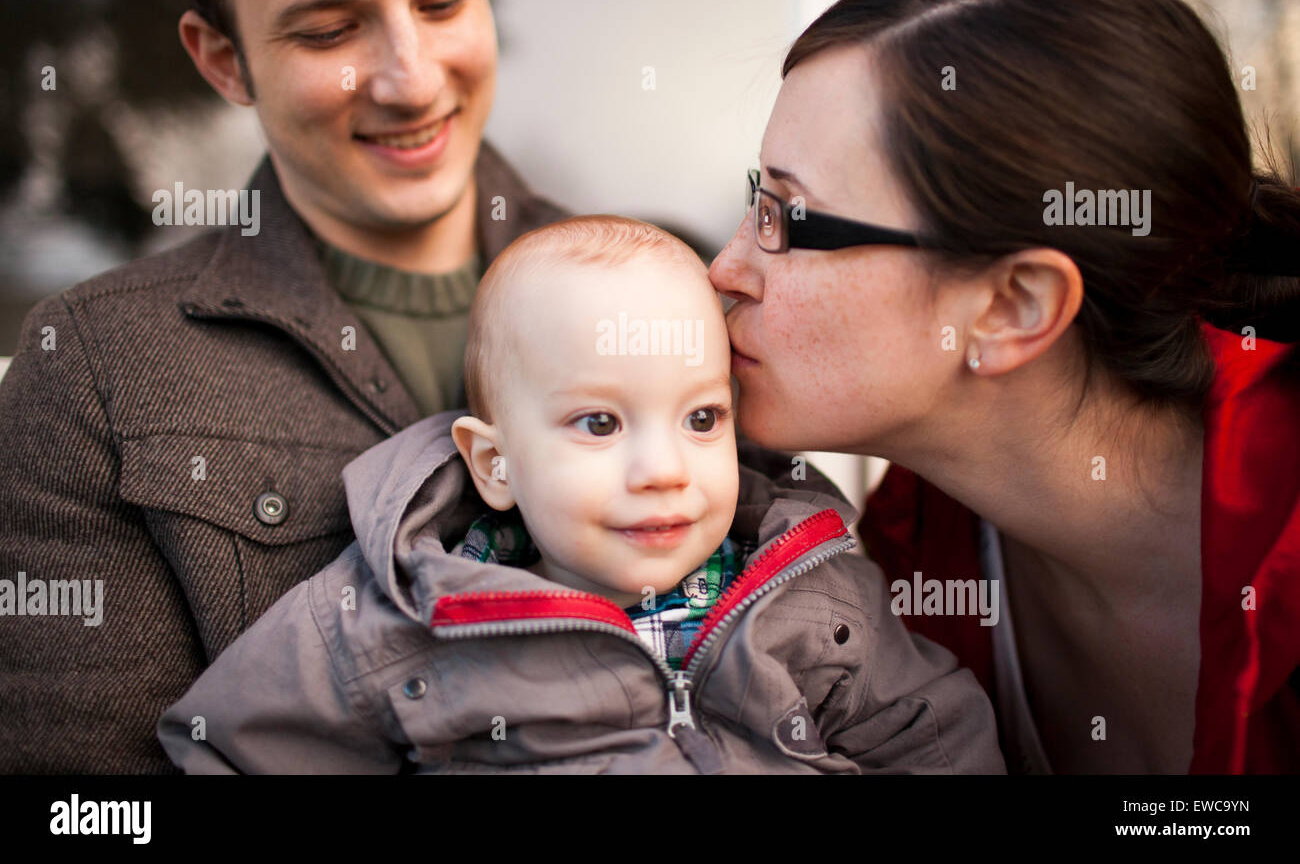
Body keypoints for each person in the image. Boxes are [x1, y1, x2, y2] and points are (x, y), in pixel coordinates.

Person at [0, 0, 566, 772]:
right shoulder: (93, 371)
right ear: (224, 60)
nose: (411, 81)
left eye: (444, 2)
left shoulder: (664, 293)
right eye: (330, 30)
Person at [707, 0, 1300, 774]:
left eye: (788, 218)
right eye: (752, 203)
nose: (725, 269)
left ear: (1012, 307)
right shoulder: (901, 558)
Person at [155, 217, 1005, 774]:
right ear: (494, 465)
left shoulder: (813, 599)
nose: (663, 469)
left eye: (702, 417)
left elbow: (937, 733)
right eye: (599, 424)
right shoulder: (398, 623)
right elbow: (221, 750)